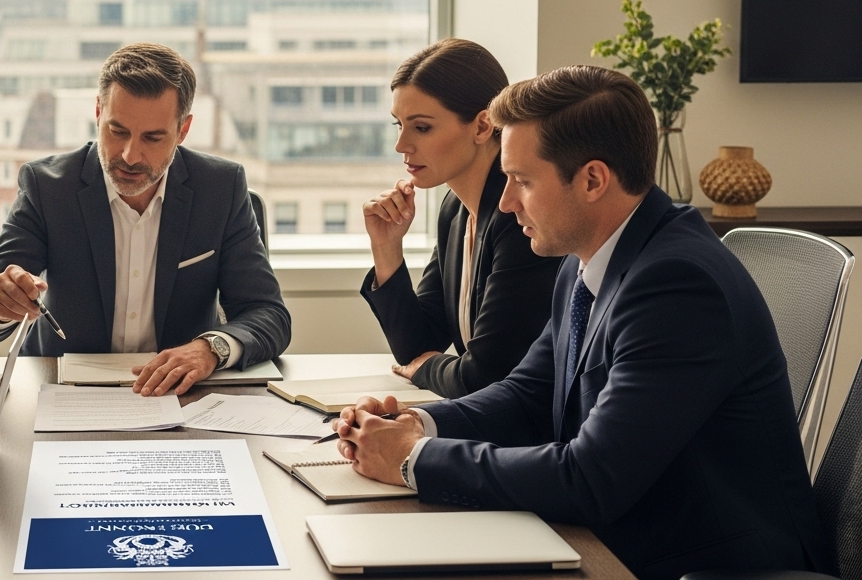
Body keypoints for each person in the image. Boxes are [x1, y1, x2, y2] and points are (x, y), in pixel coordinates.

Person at [331, 66, 832, 579]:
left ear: (593, 179)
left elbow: (592, 478)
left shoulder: (677, 285)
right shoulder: (585, 259)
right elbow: (527, 394)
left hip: (698, 562)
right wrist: (418, 426)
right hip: (621, 538)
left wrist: (415, 460)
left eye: (522, 181)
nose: (505, 201)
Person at [0, 42, 291, 397]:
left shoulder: (219, 189)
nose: (131, 155)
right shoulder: (49, 188)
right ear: (99, 113)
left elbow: (268, 314)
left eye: (153, 137)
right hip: (67, 397)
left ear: (183, 130)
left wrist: (211, 349)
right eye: (118, 131)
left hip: (181, 397)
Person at [361, 39, 561, 398]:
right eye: (399, 125)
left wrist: (427, 367)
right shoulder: (455, 209)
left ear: (483, 126)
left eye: (421, 127)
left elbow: (484, 376)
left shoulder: (519, 216)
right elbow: (417, 345)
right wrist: (387, 247)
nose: (401, 145)